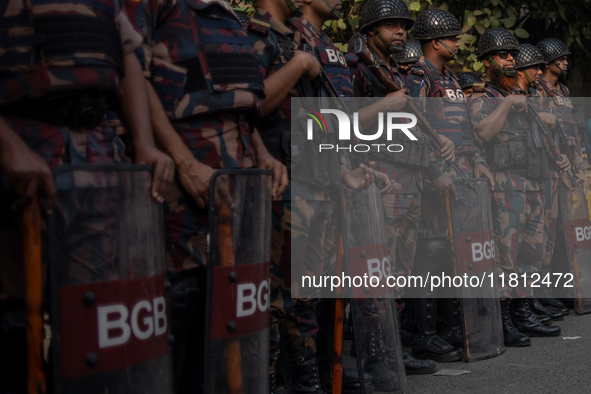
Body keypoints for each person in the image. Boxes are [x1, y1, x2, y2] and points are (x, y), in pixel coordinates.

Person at [0, 2, 173, 392]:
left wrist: (144, 143)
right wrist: (7, 144)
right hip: (23, 140)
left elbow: (125, 53)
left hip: (93, 150)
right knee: (14, 323)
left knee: (93, 318)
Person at [123, 0, 288, 391]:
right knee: (179, 301)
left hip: (237, 179)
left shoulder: (226, 14)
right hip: (183, 178)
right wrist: (182, 163)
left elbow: (238, 98)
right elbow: (133, 72)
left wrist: (262, 153)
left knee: (228, 306)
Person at [405, 7, 495, 362]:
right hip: (435, 178)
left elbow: (466, 129)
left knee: (451, 253)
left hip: (460, 176)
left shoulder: (451, 80)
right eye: (453, 38)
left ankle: (449, 326)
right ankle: (425, 333)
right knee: (431, 251)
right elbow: (412, 125)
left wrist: (478, 162)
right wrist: (432, 171)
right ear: (435, 42)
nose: (458, 43)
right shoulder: (419, 76)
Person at [469, 28, 561, 348]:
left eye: (512, 55)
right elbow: (482, 132)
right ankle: (505, 317)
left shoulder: (526, 98)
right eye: (503, 55)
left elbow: (544, 134)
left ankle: (523, 311)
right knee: (506, 257)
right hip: (508, 187)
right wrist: (507, 104)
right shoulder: (486, 98)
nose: (509, 60)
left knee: (531, 255)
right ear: (487, 62)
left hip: (534, 184)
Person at [536, 37, 590, 313]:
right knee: (547, 231)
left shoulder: (564, 91)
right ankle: (544, 292)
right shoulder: (538, 90)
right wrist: (562, 168)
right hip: (551, 170)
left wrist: (579, 167)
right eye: (562, 59)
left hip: (570, 170)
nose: (566, 62)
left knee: (567, 230)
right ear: (547, 63)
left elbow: (573, 133)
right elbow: (545, 137)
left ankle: (568, 288)